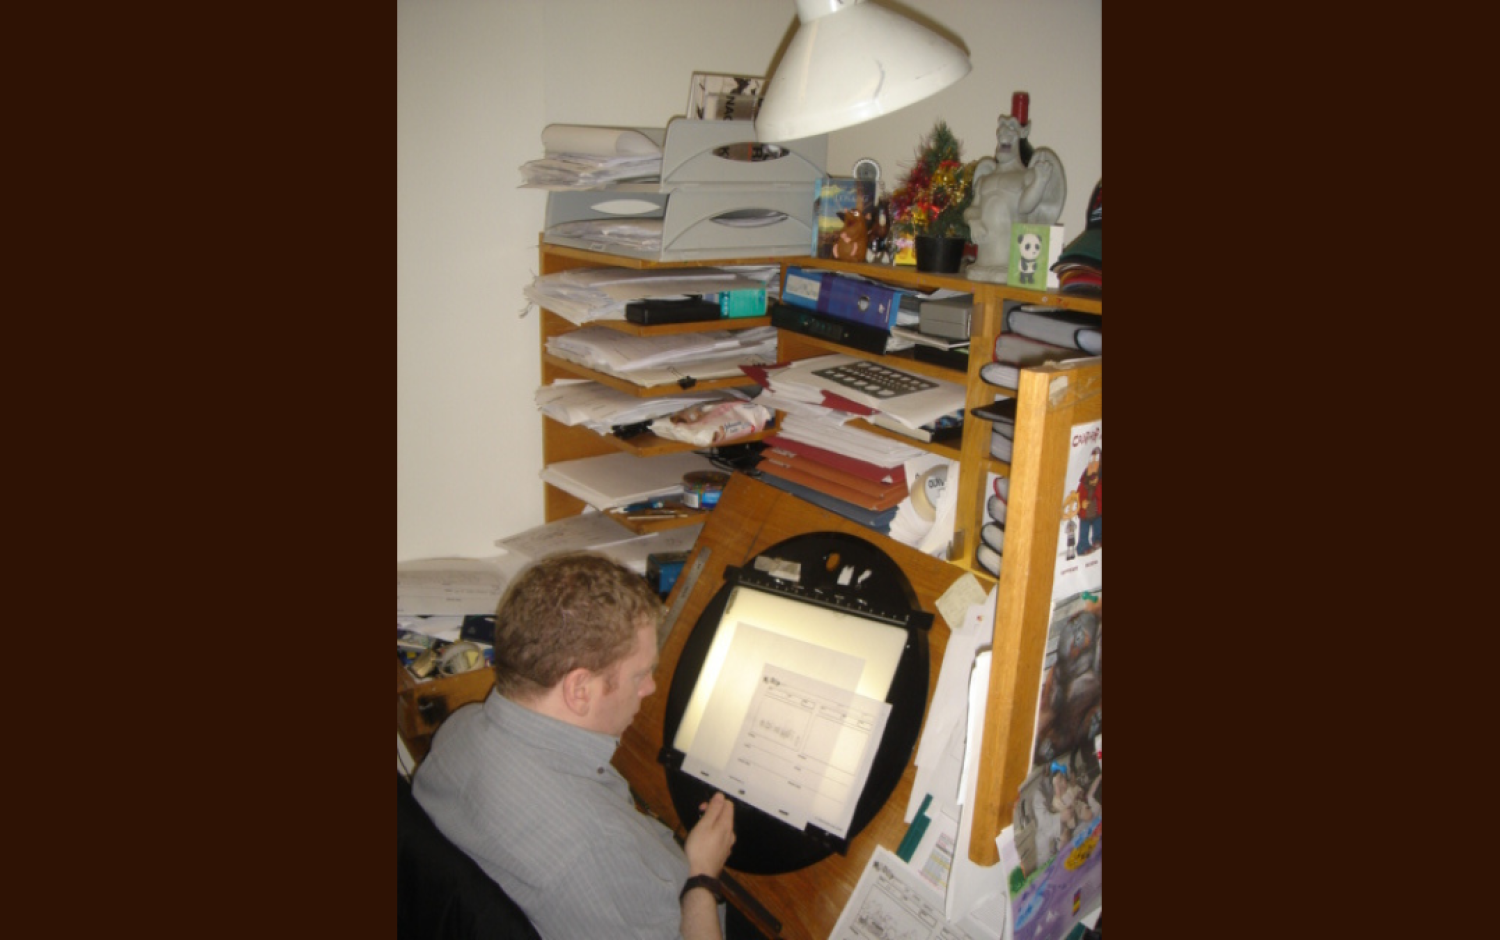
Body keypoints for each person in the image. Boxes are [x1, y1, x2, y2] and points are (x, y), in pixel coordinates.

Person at [413, 551, 737, 940]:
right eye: (639, 675)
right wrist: (701, 877)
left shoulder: (461, 728)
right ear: (580, 690)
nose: (649, 688)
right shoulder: (594, 854)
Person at [963, 111, 1066, 283]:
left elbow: (1025, 207)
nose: (1004, 134)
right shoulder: (984, 179)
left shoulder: (1025, 176)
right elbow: (973, 209)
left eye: (1011, 129)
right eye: (1001, 130)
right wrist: (974, 221)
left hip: (1009, 264)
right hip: (982, 263)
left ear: (1021, 136)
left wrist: (1039, 182)